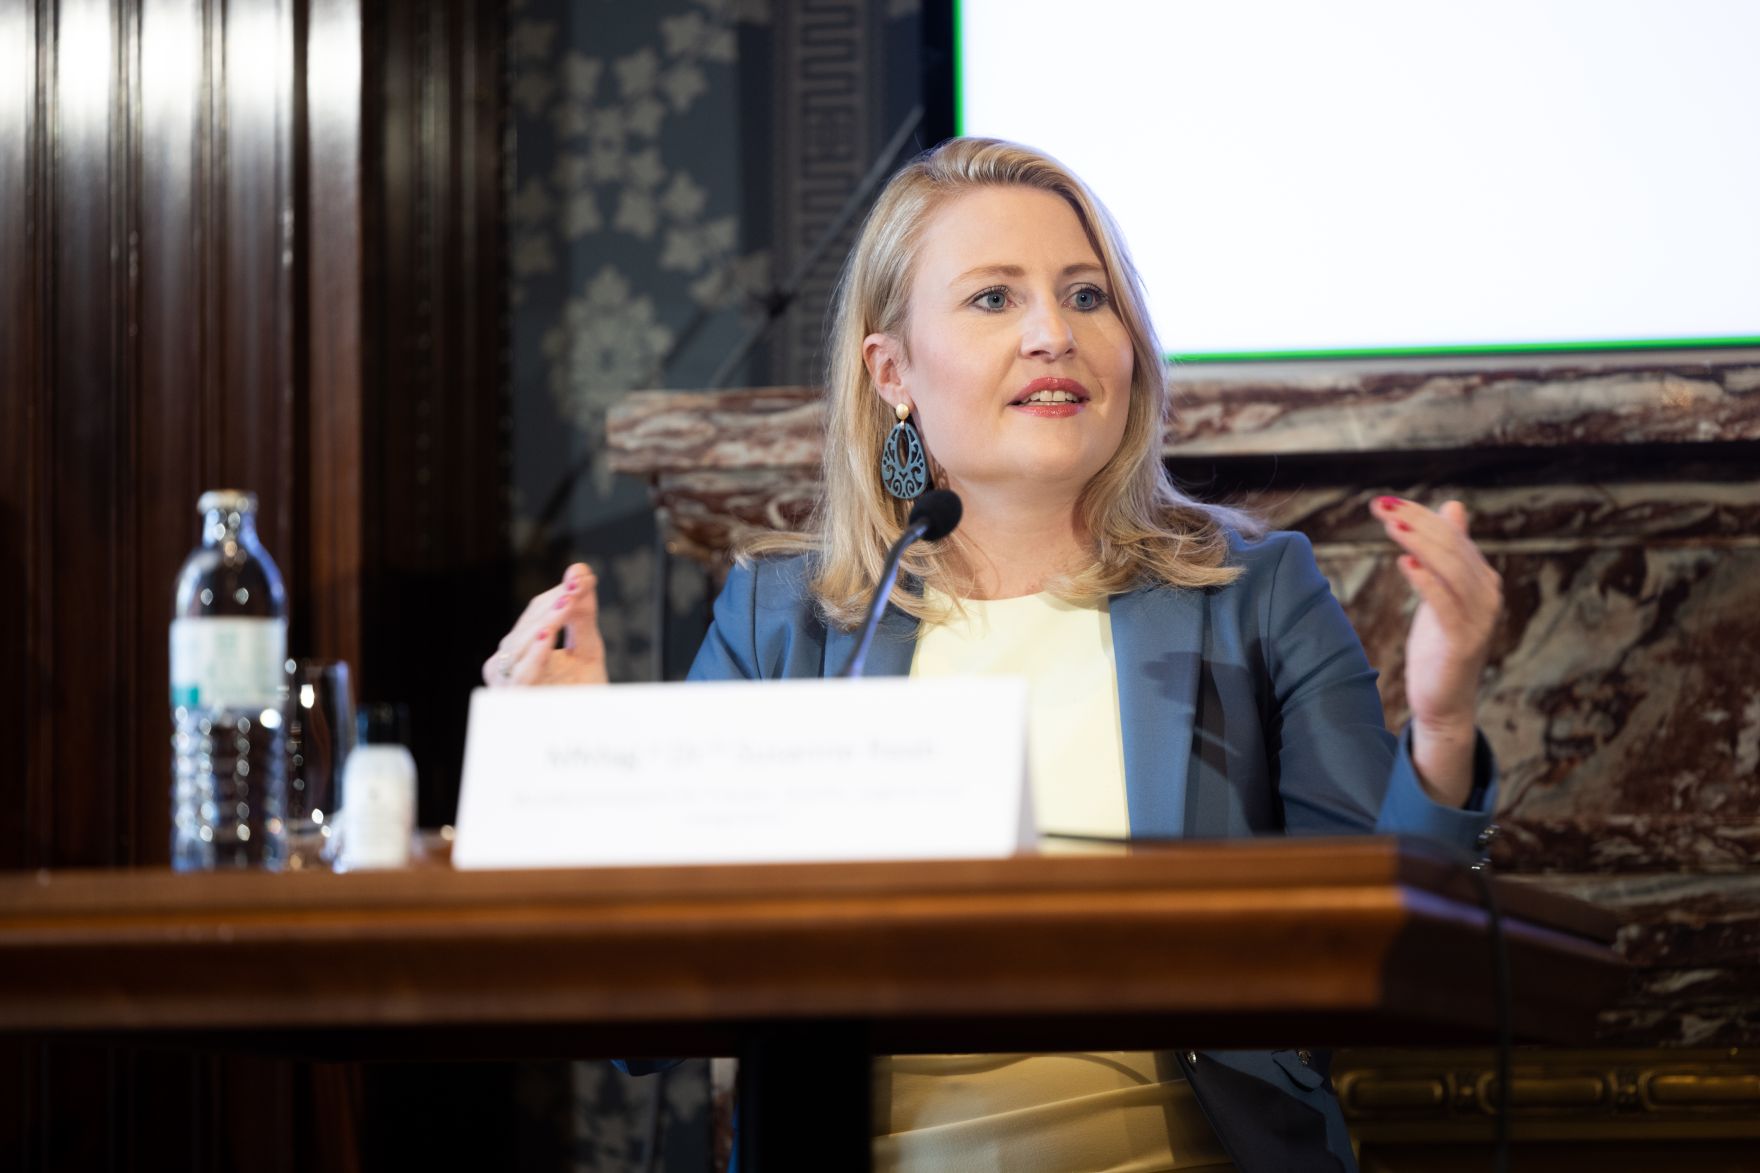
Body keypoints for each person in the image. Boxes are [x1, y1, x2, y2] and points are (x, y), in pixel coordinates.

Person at [485, 138, 1502, 1173]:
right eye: (991, 300)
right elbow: (642, 1029)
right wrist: (568, 773)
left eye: (1085, 297)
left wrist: (1441, 723)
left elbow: (1398, 960)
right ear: (892, 372)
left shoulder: (1253, 593)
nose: (1052, 334)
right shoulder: (779, 623)